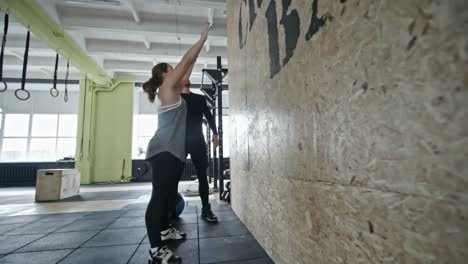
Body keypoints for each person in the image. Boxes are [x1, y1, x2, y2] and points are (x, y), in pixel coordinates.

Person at [142, 23, 210, 264]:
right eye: (172, 70)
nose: (177, 73)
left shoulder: (174, 89)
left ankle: (165, 230)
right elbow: (186, 59)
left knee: (169, 195)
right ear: (164, 75)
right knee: (160, 197)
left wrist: (197, 53)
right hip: (162, 151)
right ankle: (155, 249)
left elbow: (188, 65)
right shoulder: (167, 88)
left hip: (172, 152)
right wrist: (201, 39)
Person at [180, 80, 219, 222]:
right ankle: (169, 208)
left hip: (198, 141)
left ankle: (206, 209)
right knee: (174, 176)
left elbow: (209, 117)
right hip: (180, 142)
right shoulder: (175, 98)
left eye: (187, 76)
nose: (186, 78)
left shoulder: (199, 98)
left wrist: (215, 134)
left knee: (202, 176)